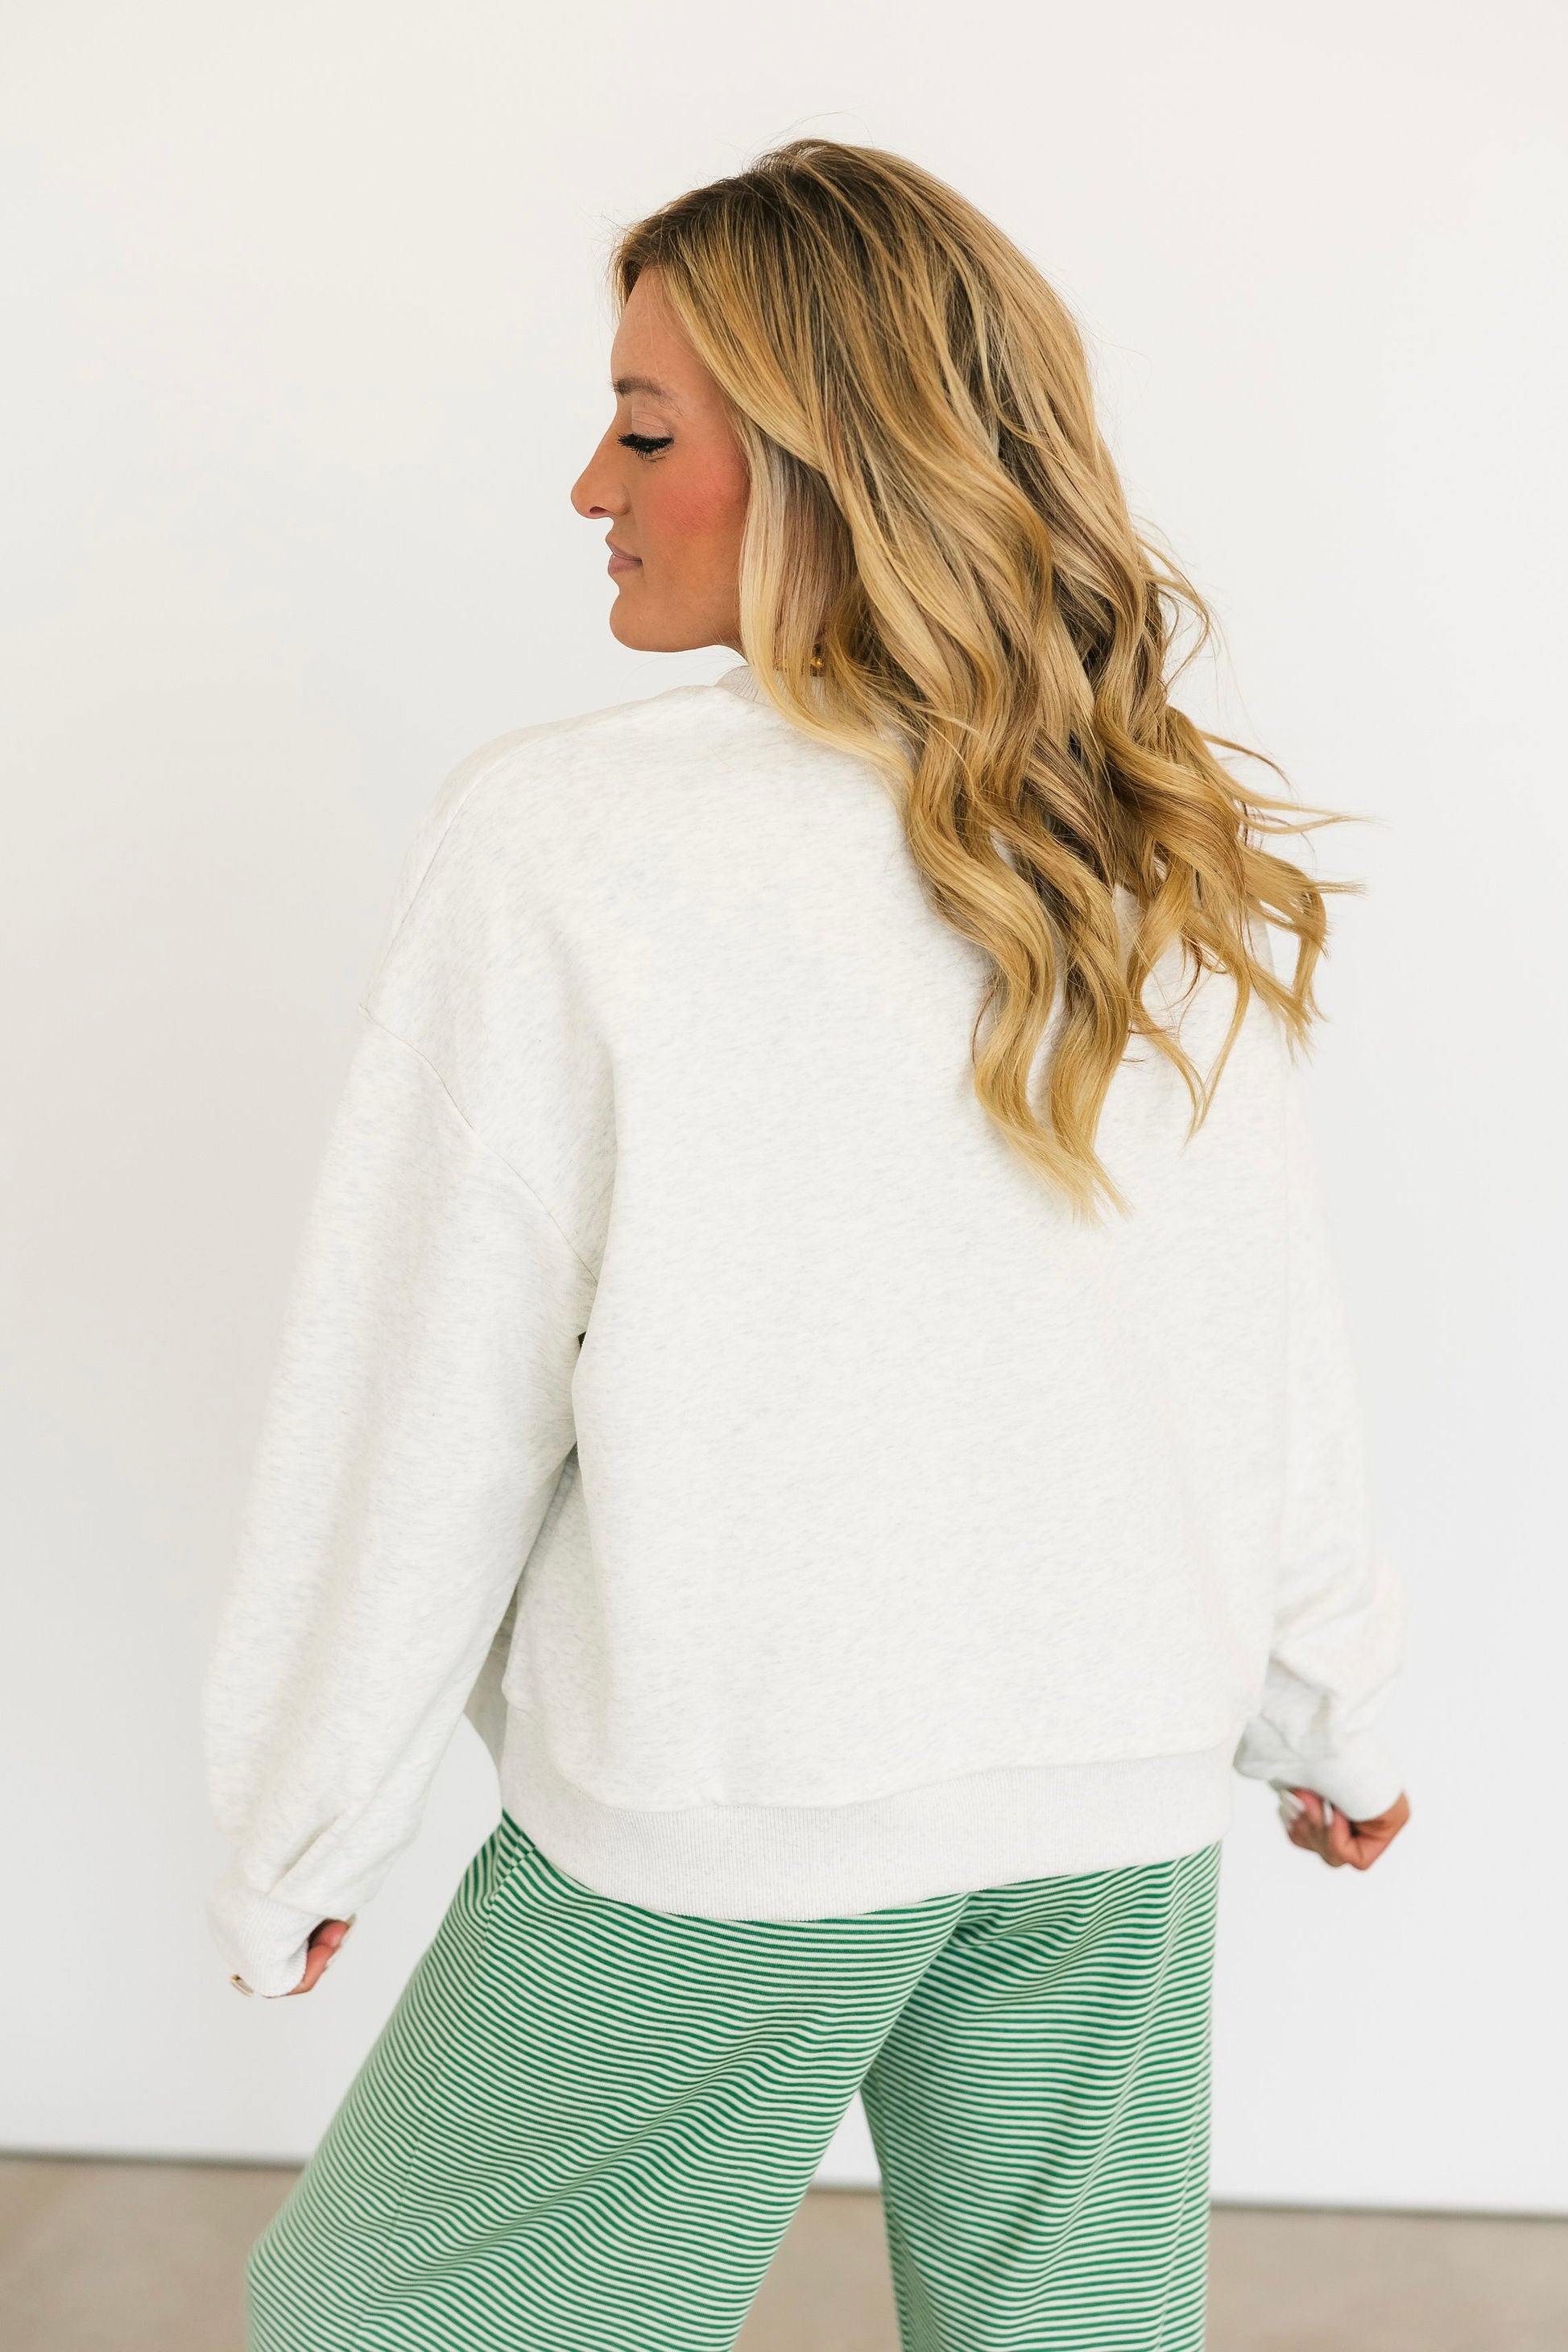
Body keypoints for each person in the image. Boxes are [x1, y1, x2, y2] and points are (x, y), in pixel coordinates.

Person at [201, 138, 1409, 2352]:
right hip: (1110, 1808)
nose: (589, 484)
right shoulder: (1146, 819)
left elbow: (430, 1387)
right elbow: (1257, 1327)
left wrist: (303, 1824)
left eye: (646, 432)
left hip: (737, 1802)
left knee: (379, 2316)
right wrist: (1330, 1707)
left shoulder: (565, 840)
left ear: (827, 462)